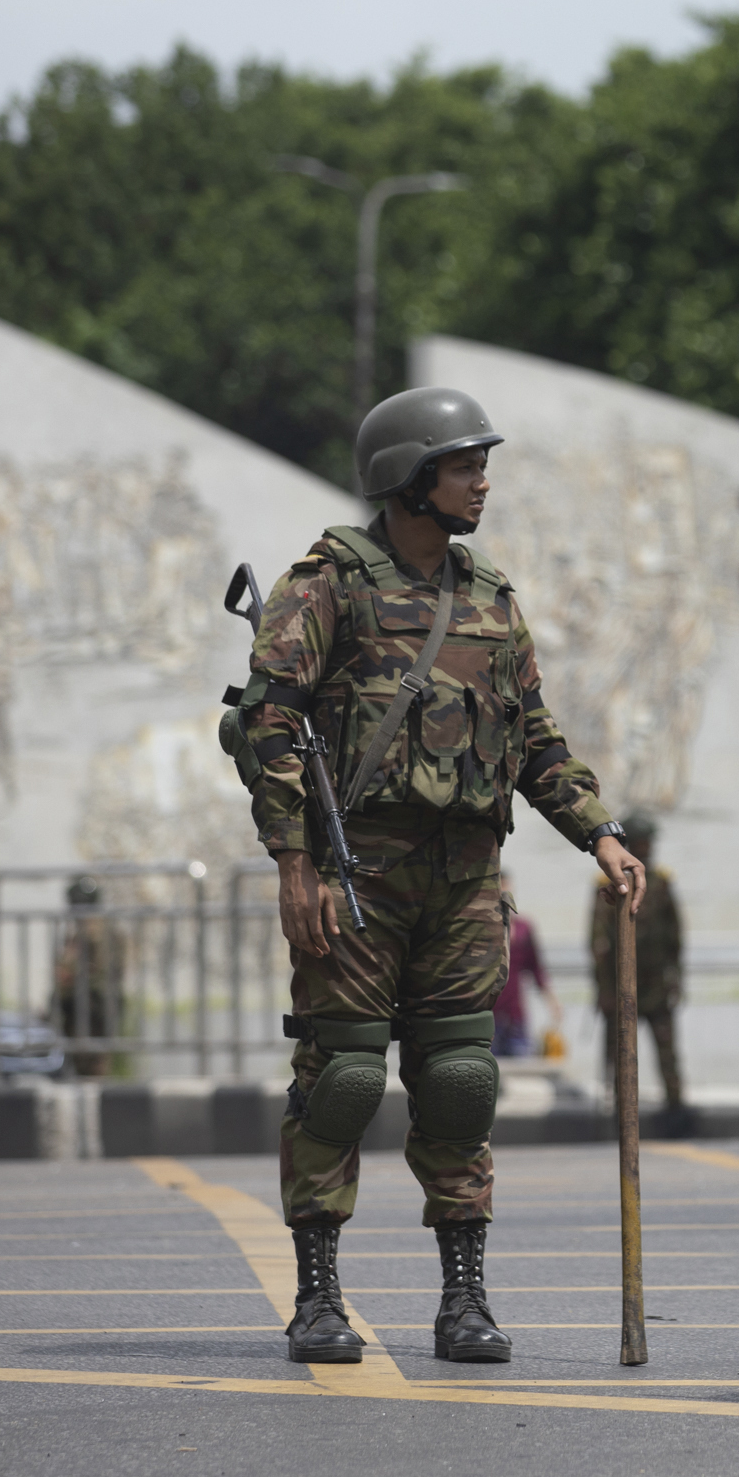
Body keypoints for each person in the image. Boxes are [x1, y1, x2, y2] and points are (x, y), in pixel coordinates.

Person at [240, 387, 646, 1368]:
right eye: (465, 465)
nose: (482, 481)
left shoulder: (492, 596)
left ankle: (463, 1296)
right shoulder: (328, 582)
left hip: (466, 881)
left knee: (462, 1082)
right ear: (409, 476)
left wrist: (598, 831)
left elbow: (535, 737)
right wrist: (296, 860)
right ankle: (318, 1294)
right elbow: (268, 723)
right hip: (356, 875)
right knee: (340, 1079)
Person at [587, 812, 683, 1111]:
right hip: (620, 987)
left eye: (648, 842)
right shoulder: (610, 883)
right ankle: (622, 1111)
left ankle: (676, 1110)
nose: (647, 848)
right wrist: (603, 989)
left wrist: (676, 978)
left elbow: (675, 937)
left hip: (656, 985)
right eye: (642, 842)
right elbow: (598, 942)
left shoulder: (661, 883)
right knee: (621, 1054)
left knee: (667, 1054)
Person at [47, 876, 130, 1068]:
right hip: (92, 1005)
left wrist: (69, 974)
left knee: (89, 1064)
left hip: (91, 1005)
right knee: (89, 1063)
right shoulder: (96, 930)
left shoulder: (93, 932)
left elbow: (89, 968)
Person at [491, 895, 556, 1061]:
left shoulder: (523, 928)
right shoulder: (482, 930)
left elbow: (536, 968)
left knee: (522, 1065)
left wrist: (552, 1001)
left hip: (515, 1013)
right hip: (489, 1013)